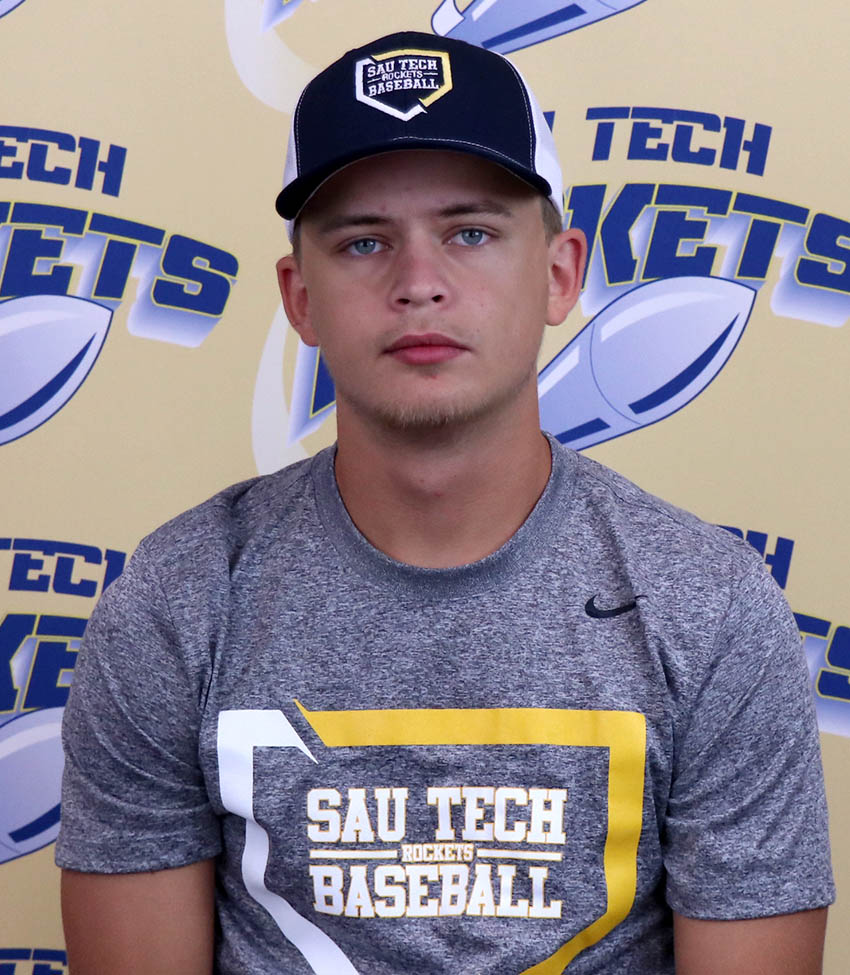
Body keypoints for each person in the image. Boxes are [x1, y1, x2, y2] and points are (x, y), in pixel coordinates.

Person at [56, 29, 834, 975]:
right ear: (300, 297)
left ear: (558, 274)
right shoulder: (176, 599)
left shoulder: (706, 606)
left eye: (471, 233)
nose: (418, 283)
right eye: (364, 242)